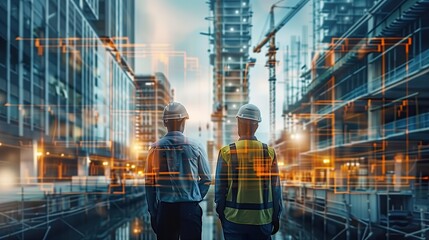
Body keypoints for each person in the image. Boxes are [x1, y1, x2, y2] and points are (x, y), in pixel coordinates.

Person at [215, 103, 283, 240]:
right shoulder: (269, 152)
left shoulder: (226, 152)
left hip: (234, 219)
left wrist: (221, 215)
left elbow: (220, 191)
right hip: (262, 220)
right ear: (256, 126)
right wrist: (276, 216)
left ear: (238, 123)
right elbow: (276, 189)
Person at [145, 102, 211, 240]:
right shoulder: (196, 146)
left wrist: (153, 211)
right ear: (183, 122)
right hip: (190, 209)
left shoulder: (154, 149)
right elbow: (206, 179)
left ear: (165, 123)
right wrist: (195, 197)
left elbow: (150, 184)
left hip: (165, 209)